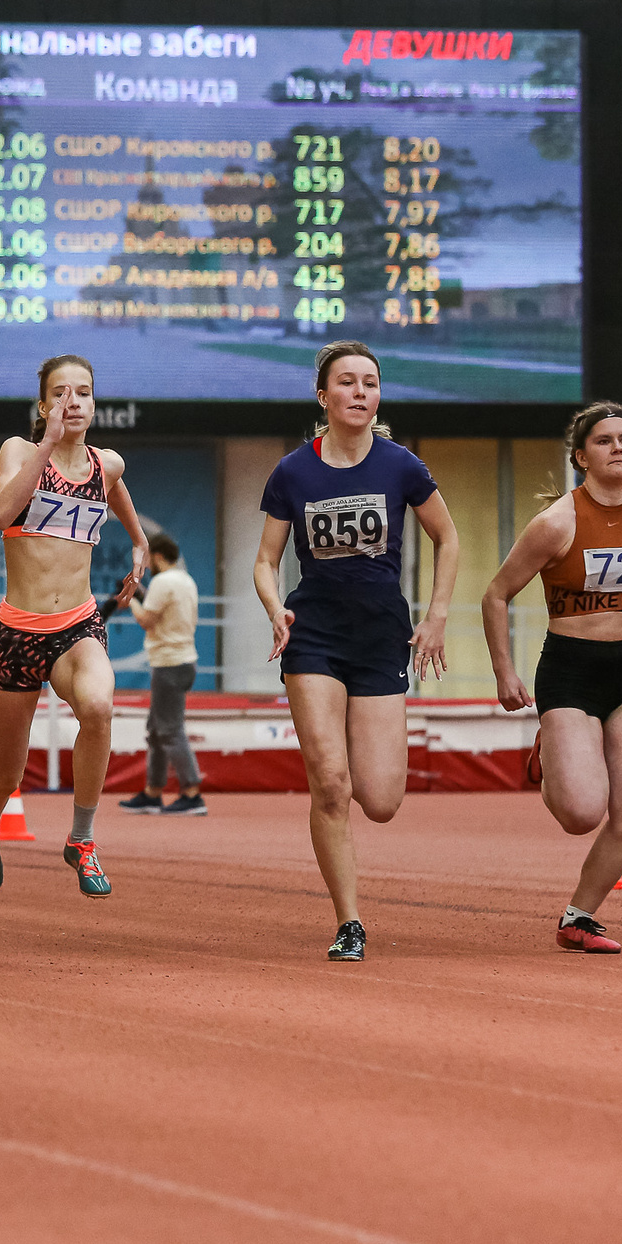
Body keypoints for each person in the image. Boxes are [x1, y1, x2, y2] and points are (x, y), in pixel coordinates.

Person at [253, 342, 461, 962]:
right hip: (313, 635)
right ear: (324, 396)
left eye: (371, 383)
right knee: (331, 783)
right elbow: (265, 560)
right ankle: (349, 922)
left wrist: (436, 617)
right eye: (347, 383)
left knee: (382, 799)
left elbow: (448, 538)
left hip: (380, 638)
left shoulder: (401, 466)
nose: (360, 393)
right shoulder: (293, 472)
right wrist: (275, 609)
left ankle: (351, 902)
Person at [483, 401, 622, 957]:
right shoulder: (556, 523)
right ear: (582, 456)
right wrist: (504, 671)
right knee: (581, 813)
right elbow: (495, 595)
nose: (619, 449)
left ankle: (579, 916)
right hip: (569, 668)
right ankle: (552, 759)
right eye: (605, 441)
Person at [0, 355, 148, 903]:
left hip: (77, 624)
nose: (73, 402)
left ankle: (82, 839)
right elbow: (2, 513)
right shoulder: (20, 452)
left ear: (95, 404)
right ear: (44, 404)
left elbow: (122, 506)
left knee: (98, 705)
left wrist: (139, 549)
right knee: (7, 771)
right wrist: (46, 443)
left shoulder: (106, 464)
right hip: (16, 633)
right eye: (61, 393)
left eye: (84, 393)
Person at [118, 533, 203, 815]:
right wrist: (141, 593)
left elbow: (146, 620)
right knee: (157, 731)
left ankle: (192, 794)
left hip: (169, 662)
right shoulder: (184, 579)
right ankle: (153, 792)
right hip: (182, 660)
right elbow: (164, 610)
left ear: (155, 555)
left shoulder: (163, 582)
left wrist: (129, 598)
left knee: (169, 730)